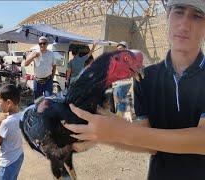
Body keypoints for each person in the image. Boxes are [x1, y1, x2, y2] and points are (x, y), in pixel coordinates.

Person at [63, 1, 205, 179]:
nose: (184, 24)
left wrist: (121, 131)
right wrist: (103, 135)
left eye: (197, 15)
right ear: (168, 17)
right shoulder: (146, 78)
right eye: (178, 12)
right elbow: (148, 144)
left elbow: (202, 140)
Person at [0, 84, 24, 180]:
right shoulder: (22, 115)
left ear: (9, 103)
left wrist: (1, 124)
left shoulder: (6, 123)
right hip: (18, 155)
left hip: (7, 161)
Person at [113, 41, 132, 118]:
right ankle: (120, 117)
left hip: (124, 81)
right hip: (119, 81)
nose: (118, 50)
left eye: (120, 48)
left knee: (120, 98)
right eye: (118, 49)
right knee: (118, 99)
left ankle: (119, 118)